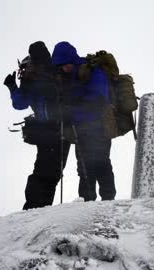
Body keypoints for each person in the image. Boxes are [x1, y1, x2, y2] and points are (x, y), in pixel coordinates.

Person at [3, 41, 70, 210]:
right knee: (52, 172)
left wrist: (12, 87)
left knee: (42, 169)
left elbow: (19, 104)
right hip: (61, 130)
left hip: (44, 131)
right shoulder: (56, 72)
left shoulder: (31, 77)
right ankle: (39, 207)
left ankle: (34, 206)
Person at [51, 41, 116, 202]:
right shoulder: (65, 76)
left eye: (65, 64)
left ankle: (108, 201)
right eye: (60, 66)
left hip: (98, 126)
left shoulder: (92, 70)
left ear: (72, 60)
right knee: (84, 166)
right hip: (80, 129)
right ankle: (86, 202)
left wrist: (73, 106)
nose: (64, 68)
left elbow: (99, 98)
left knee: (101, 163)